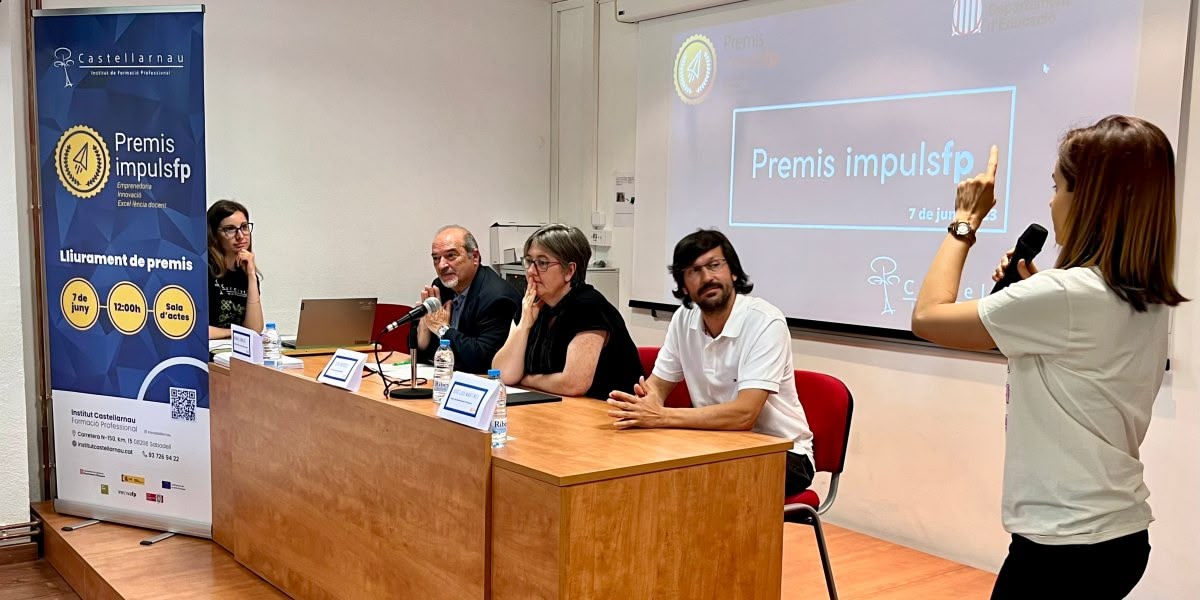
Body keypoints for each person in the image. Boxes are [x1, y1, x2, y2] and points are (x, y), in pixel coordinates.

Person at [910, 116, 1186, 599]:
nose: (1050, 200)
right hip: (1117, 536)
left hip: (1064, 545)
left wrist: (965, 222)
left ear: (1091, 199)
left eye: (1057, 186)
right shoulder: (1140, 294)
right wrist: (1033, 289)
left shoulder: (1066, 295)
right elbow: (1077, 361)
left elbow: (928, 317)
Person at [605, 229, 815, 496]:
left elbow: (744, 414)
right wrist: (648, 402)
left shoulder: (765, 321)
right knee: (635, 466)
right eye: (694, 270)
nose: (707, 278)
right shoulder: (684, 318)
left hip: (783, 453)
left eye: (715, 265)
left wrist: (662, 416)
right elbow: (658, 384)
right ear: (683, 285)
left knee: (695, 487)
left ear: (733, 272)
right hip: (713, 444)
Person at [491, 224, 642, 399]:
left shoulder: (589, 307)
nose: (531, 271)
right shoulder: (532, 305)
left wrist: (526, 379)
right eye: (528, 261)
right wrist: (525, 324)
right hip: (557, 409)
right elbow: (503, 374)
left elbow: (573, 384)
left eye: (542, 263)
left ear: (570, 270)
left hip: (607, 413)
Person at [407, 225, 520, 374]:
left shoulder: (497, 297)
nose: (441, 265)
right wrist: (424, 332)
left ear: (474, 257)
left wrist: (443, 329)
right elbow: (421, 355)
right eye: (436, 258)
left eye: (451, 256)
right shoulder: (441, 287)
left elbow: (483, 359)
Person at [208, 200, 263, 339]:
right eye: (230, 229)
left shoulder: (246, 273)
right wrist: (236, 333)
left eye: (244, 227)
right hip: (205, 352)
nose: (240, 236)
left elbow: (254, 329)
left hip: (235, 350)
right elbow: (194, 328)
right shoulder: (204, 270)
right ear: (214, 235)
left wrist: (251, 275)